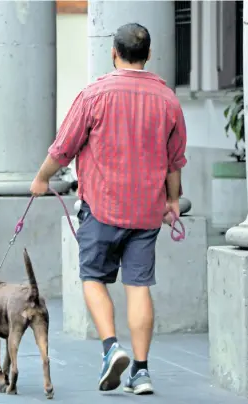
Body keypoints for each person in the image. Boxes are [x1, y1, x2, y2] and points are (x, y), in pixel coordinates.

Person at [30, 22, 187, 395]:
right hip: (146, 212)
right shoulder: (168, 100)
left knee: (93, 278)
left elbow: (62, 148)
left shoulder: (94, 94)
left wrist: (41, 180)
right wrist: (172, 201)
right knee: (138, 287)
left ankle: (110, 348)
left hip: (102, 207)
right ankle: (142, 371)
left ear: (113, 53)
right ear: (148, 55)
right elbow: (174, 161)